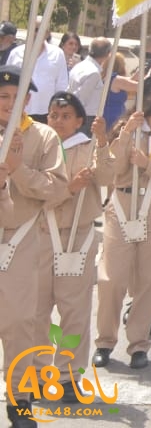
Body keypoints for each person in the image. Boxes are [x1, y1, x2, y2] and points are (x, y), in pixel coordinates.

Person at [91, 74, 151, 370]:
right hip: (122, 204)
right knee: (111, 279)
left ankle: (138, 344)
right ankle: (105, 341)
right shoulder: (126, 130)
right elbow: (108, 174)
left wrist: (148, 165)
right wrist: (123, 138)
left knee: (149, 281)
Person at [0, 64, 67, 426]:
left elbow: (57, 189)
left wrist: (17, 170)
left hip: (21, 238)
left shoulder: (43, 137)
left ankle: (19, 399)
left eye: (18, 96)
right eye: (3, 96)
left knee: (20, 322)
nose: (11, 103)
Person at [36, 93, 107, 396]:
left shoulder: (88, 146)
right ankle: (36, 373)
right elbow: (31, 190)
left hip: (77, 235)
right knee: (35, 308)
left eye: (66, 116)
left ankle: (68, 377)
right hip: (40, 233)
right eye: (53, 115)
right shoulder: (38, 147)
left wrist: (102, 141)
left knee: (74, 309)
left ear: (79, 120)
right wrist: (68, 188)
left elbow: (108, 175)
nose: (58, 121)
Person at [67, 38, 112, 124]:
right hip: (85, 118)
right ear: (107, 54)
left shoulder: (79, 66)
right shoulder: (93, 73)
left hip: (77, 115)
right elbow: (82, 99)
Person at [102, 52, 138, 131]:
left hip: (106, 114)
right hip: (114, 118)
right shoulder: (117, 80)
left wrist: (138, 73)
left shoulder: (107, 78)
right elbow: (140, 87)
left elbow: (128, 81)